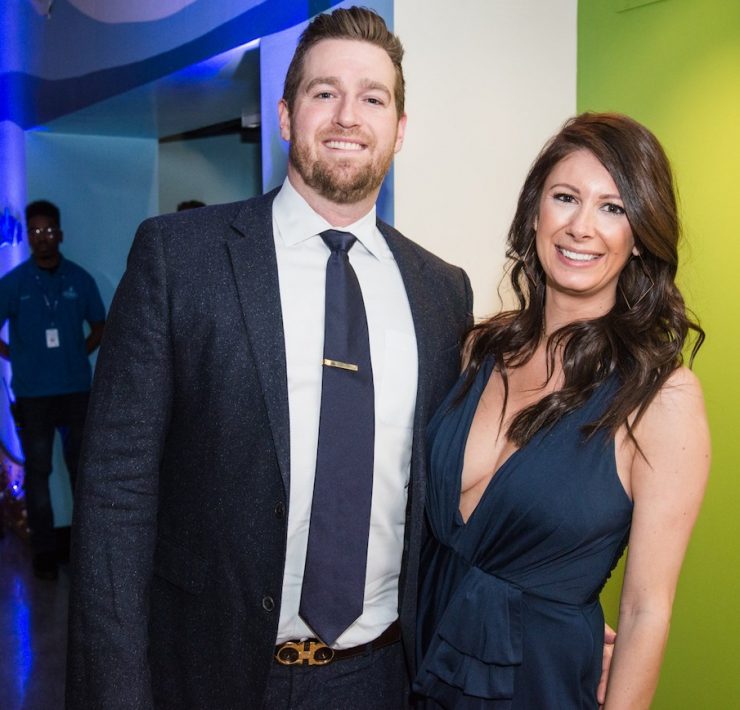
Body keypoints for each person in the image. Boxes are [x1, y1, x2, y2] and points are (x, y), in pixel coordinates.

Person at [66, 8, 473, 709]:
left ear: (400, 129)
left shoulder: (442, 293)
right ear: (286, 116)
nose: (348, 116)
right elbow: (114, 496)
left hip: (382, 677)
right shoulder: (179, 259)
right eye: (324, 92)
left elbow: (455, 500)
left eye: (373, 98)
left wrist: (551, 619)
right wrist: (116, 690)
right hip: (209, 673)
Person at [413, 112, 710, 709]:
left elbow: (646, 610)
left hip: (539, 686)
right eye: (566, 197)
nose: (581, 227)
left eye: (612, 207)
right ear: (535, 213)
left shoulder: (662, 399)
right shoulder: (478, 349)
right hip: (418, 662)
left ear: (639, 236)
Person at [0, 199, 105, 580]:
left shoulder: (79, 279)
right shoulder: (14, 283)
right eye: (34, 231)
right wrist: (17, 356)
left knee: (83, 472)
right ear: (28, 237)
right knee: (38, 473)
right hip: (33, 395)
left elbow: (100, 325)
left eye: (47, 230)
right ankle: (44, 552)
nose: (41, 237)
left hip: (75, 391)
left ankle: (86, 552)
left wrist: (79, 352)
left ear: (59, 234)